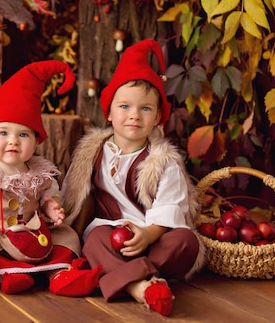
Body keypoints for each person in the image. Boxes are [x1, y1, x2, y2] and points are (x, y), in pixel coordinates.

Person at [61, 39, 206, 316]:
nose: (134, 116)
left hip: (153, 239)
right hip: (109, 232)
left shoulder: (163, 162)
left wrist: (148, 235)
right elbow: (73, 195)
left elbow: (170, 210)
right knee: (93, 241)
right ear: (109, 112)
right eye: (125, 106)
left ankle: (122, 277)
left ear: (158, 117)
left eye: (145, 109)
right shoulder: (92, 154)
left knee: (185, 241)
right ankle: (141, 287)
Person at [0, 60, 102, 296]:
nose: (13, 141)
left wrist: (52, 210)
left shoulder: (41, 175)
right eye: (3, 133)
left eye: (24, 134)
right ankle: (8, 274)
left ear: (37, 141)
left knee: (68, 239)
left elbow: (48, 200)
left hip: (33, 236)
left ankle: (59, 276)